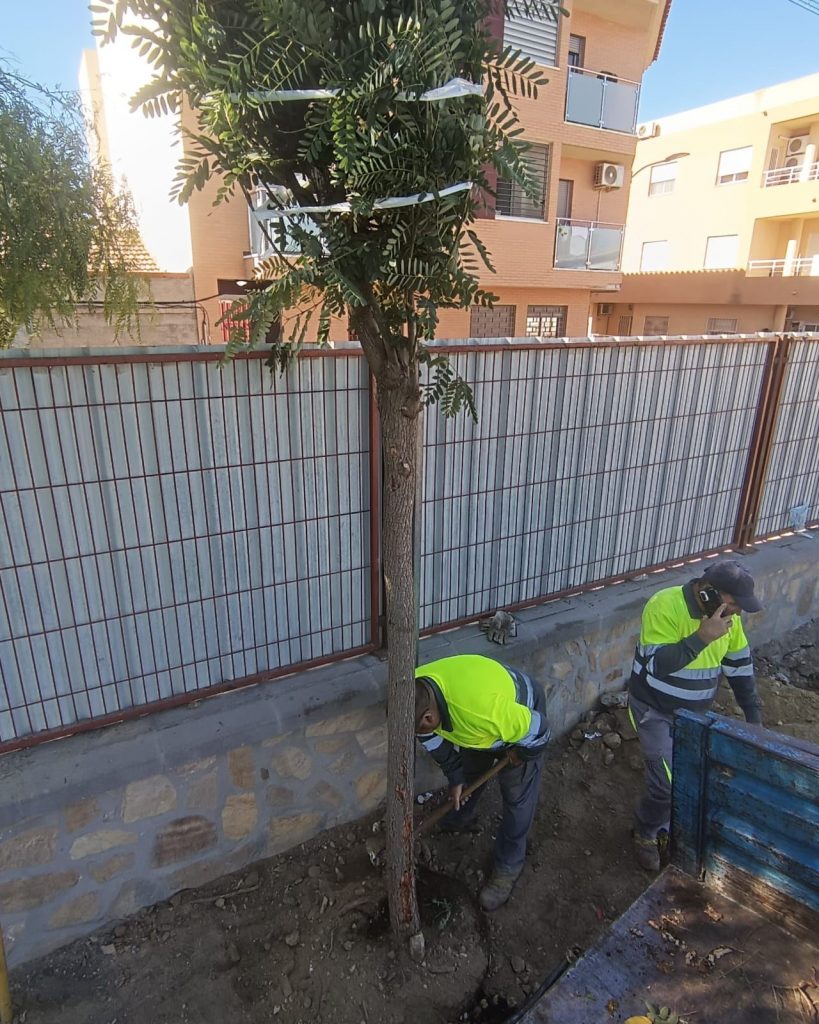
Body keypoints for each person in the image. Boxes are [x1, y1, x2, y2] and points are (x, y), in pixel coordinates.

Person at [627, 559, 764, 871]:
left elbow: (739, 666)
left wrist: (753, 717)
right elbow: (657, 665)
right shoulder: (664, 605)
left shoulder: (728, 619)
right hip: (654, 710)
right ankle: (645, 832)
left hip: (694, 716)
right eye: (734, 603)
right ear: (708, 591)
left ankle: (673, 826)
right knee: (668, 786)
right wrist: (702, 637)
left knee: (693, 778)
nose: (737, 613)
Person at [414, 654, 551, 911]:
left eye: (420, 730)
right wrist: (455, 776)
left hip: (521, 720)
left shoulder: (481, 712)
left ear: (430, 719)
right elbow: (432, 740)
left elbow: (541, 730)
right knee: (470, 775)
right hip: (480, 728)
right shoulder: (414, 694)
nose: (420, 735)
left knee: (517, 797)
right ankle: (459, 818)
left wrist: (521, 754)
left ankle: (508, 867)